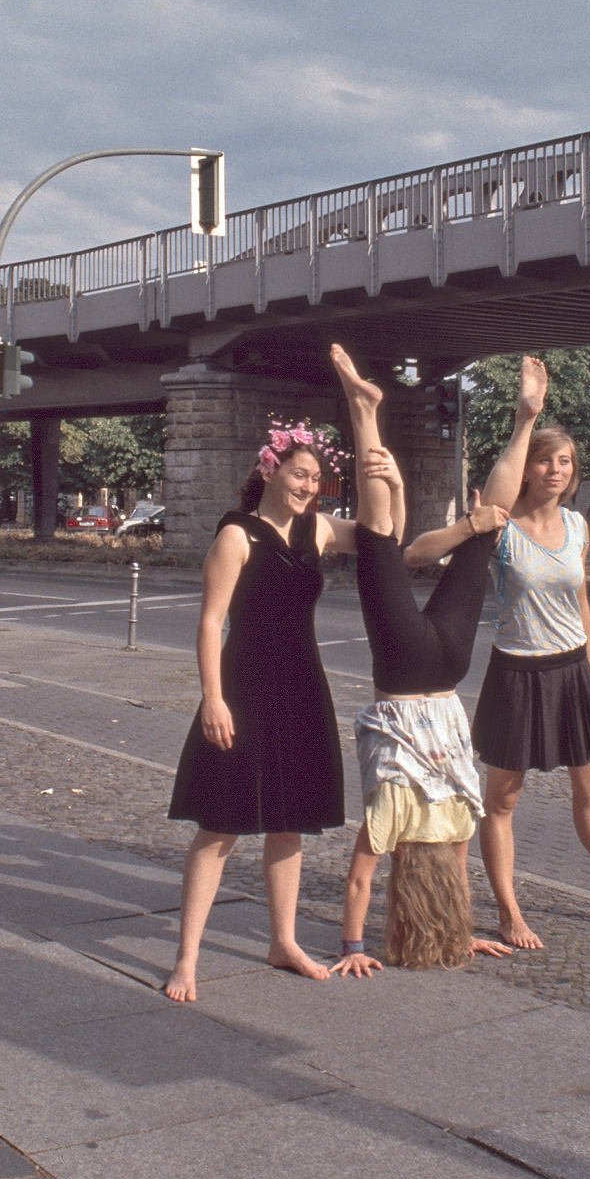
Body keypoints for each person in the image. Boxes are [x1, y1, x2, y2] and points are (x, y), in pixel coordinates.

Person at [328, 345, 513, 977]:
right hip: (405, 676)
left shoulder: (462, 816)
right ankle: (364, 413)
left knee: (483, 536)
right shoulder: (393, 817)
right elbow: (358, 883)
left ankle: (523, 421)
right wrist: (353, 948)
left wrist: (461, 936)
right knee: (378, 541)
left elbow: (459, 876)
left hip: (447, 675)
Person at [469, 356, 590, 949]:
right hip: (517, 673)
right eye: (545, 461)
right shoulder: (501, 526)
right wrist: (526, 418)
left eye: (565, 461)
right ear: (525, 469)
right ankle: (508, 911)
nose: (555, 469)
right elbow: (495, 500)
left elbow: (580, 602)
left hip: (572, 670)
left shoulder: (577, 526)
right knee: (503, 797)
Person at [163, 419, 355, 1003]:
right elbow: (208, 622)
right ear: (271, 469)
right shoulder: (236, 537)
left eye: (317, 479)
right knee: (220, 824)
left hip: (301, 686)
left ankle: (283, 941)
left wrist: (385, 476)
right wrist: (212, 698)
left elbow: (382, 534)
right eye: (300, 475)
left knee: (289, 819)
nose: (308, 487)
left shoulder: (317, 529)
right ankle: (187, 959)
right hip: (244, 687)